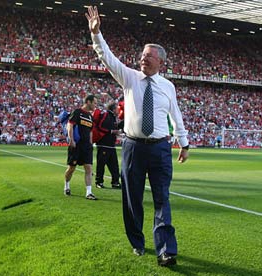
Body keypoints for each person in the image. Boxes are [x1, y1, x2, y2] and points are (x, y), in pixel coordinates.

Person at [86, 6, 189, 267]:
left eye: (149, 57)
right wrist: (97, 34)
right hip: (133, 147)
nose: (143, 59)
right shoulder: (129, 78)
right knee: (132, 198)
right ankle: (137, 242)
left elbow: (176, 115)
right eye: (142, 55)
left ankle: (166, 250)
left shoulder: (168, 87)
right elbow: (107, 58)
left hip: (160, 149)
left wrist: (184, 143)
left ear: (160, 62)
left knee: (161, 198)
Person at [64, 94, 98, 200]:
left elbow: (91, 132)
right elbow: (70, 125)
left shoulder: (90, 117)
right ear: (88, 102)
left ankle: (89, 192)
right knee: (71, 168)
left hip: (86, 147)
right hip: (76, 145)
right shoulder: (77, 112)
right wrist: (71, 139)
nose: (95, 105)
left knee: (88, 168)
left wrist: (91, 143)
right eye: (95, 103)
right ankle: (67, 185)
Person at [95, 102, 121, 189]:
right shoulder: (106, 115)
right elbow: (100, 126)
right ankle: (99, 182)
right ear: (113, 109)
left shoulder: (113, 117)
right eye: (117, 108)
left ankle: (115, 182)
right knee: (101, 164)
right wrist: (111, 131)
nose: (119, 110)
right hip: (104, 144)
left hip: (111, 145)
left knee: (114, 165)